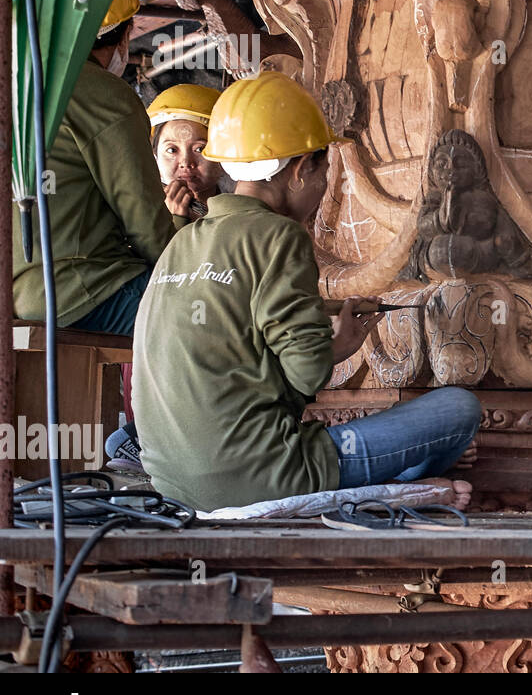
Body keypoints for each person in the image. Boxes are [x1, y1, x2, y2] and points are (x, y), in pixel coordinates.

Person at [132, 71, 481, 512]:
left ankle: (402, 476)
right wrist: (337, 346)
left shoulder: (184, 239)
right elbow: (304, 373)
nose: (324, 188)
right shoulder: (279, 236)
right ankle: (402, 483)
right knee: (457, 410)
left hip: (173, 485)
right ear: (300, 170)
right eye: (324, 171)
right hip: (262, 478)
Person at [11, 0, 175, 335]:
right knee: (224, 319)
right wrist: (190, 274)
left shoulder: (19, 84)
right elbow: (145, 222)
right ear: (125, 33)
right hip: (82, 291)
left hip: (21, 297)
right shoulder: (104, 94)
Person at [147, 84, 226, 221]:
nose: (186, 163)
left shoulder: (239, 219)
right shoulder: (140, 221)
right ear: (155, 157)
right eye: (172, 150)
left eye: (199, 149)